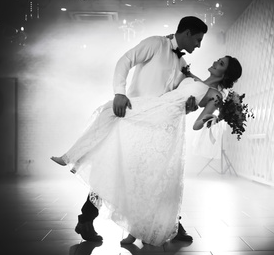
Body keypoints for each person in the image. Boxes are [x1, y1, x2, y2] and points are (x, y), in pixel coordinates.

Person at [51, 55, 242, 246]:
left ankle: (135, 230)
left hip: (165, 121)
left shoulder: (216, 95)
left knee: (145, 172)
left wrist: (214, 118)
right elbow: (180, 82)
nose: (216, 62)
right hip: (155, 106)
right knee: (110, 110)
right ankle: (73, 155)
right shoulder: (194, 78)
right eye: (219, 60)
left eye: (221, 63)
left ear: (225, 74)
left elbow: (198, 124)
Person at [52, 16, 208, 243]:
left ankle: (168, 226)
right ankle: (86, 220)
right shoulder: (156, 43)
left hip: (155, 128)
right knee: (112, 172)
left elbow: (175, 99)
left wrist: (190, 106)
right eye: (198, 39)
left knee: (156, 178)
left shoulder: (183, 65)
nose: (198, 45)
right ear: (186, 33)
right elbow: (125, 60)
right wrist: (119, 92)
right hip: (131, 119)